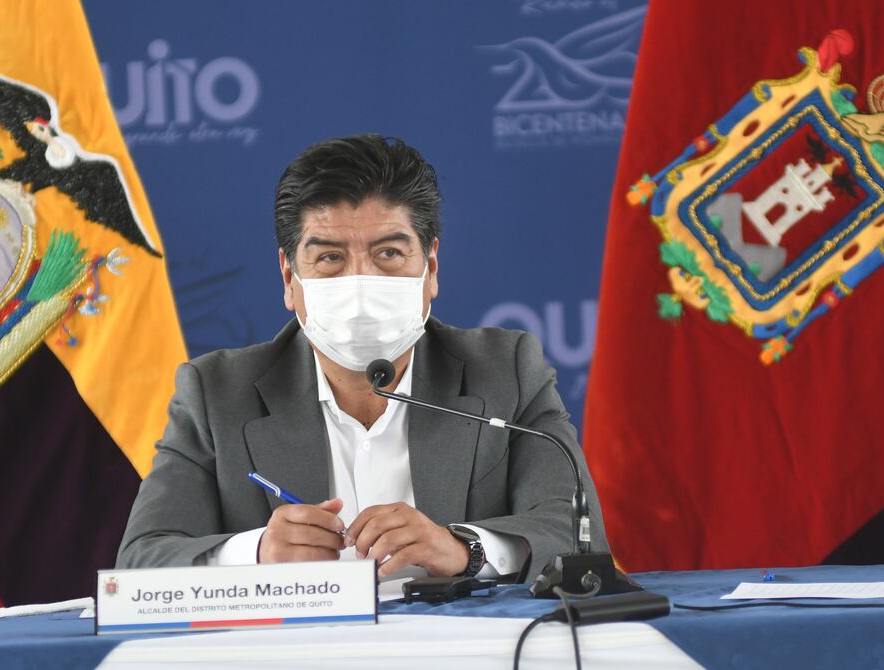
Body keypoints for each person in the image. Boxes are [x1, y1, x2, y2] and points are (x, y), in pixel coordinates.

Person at [116, 134, 607, 581]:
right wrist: (256, 553)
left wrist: (464, 549)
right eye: (330, 257)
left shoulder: (506, 371)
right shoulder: (217, 393)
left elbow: (578, 536)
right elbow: (140, 560)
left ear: (431, 267)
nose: (360, 285)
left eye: (388, 253)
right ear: (289, 277)